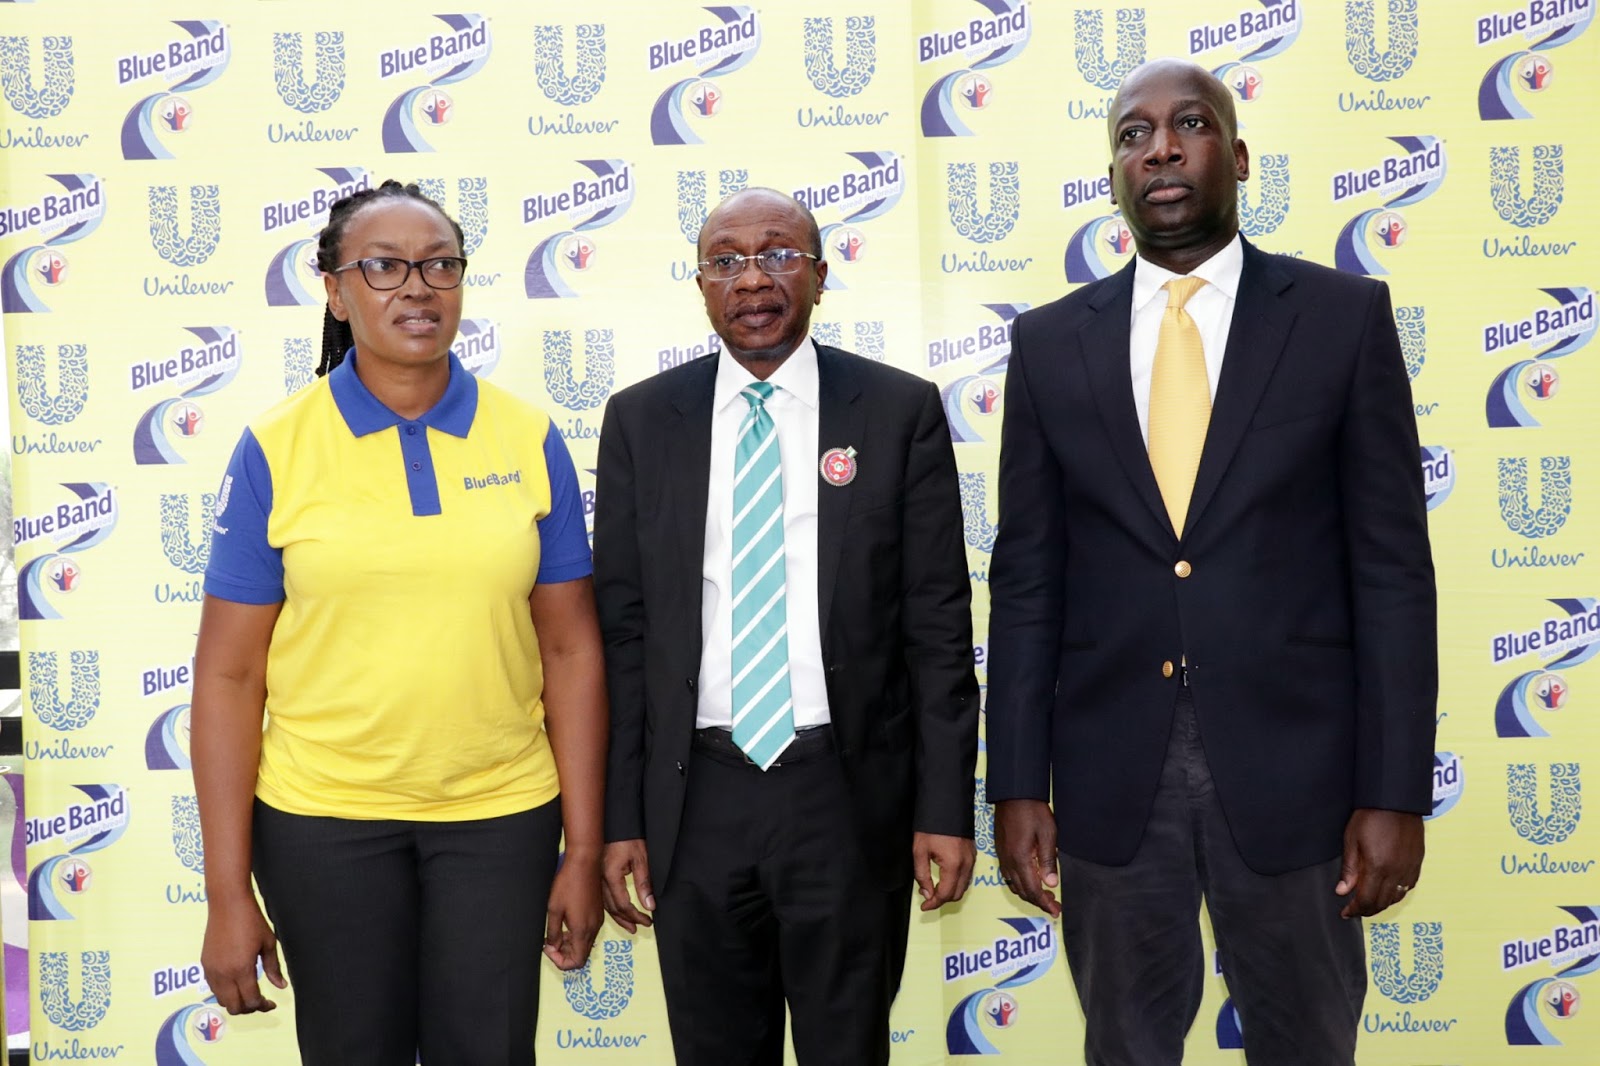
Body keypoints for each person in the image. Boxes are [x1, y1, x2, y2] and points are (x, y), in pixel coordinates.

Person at [985, 59, 1438, 1065]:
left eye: (1188, 125)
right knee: (1126, 1047)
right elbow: (1026, 581)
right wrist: (1014, 782)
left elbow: (1393, 575)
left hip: (1300, 777)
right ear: (1113, 173)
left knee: (1307, 1043)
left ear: (1235, 157)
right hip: (1113, 778)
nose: (1160, 149)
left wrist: (1394, 790)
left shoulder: (1340, 319)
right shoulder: (1050, 345)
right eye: (1132, 134)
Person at [191, 180, 606, 1065]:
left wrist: (582, 848)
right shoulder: (276, 447)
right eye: (383, 267)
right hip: (322, 822)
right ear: (335, 292)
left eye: (439, 265)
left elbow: (571, 649)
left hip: (501, 815)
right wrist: (227, 893)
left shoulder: (528, 438)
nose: (418, 287)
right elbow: (229, 675)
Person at [593, 187, 979, 1065]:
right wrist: (621, 819)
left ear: (820, 275)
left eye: (778, 255)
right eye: (726, 261)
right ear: (700, 284)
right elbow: (624, 637)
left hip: (844, 796)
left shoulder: (896, 412)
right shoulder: (643, 421)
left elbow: (937, 630)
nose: (753, 279)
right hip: (697, 797)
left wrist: (944, 809)